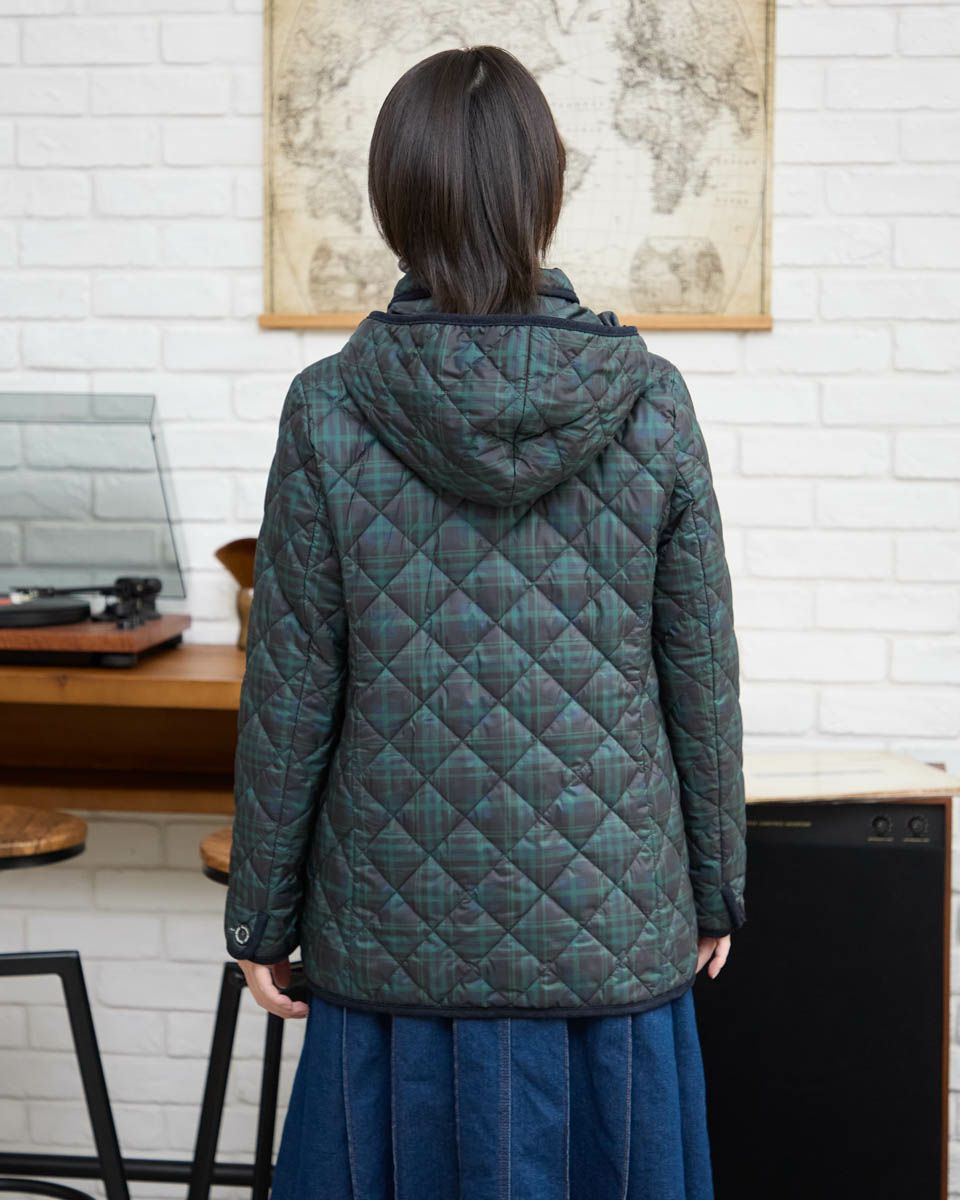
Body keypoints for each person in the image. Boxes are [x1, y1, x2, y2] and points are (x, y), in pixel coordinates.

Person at [223, 43, 747, 1200]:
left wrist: (260, 916)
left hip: (392, 947)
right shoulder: (652, 401)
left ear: (393, 198)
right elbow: (699, 672)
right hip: (608, 935)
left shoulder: (329, 408)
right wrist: (715, 884)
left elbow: (291, 690)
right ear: (544, 190)